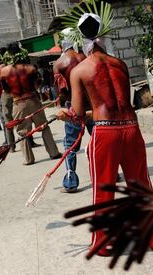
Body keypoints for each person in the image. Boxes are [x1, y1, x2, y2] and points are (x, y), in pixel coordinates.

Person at [64, 13, 153, 257]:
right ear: (103, 34)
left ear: (81, 38)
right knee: (142, 186)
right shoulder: (119, 64)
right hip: (131, 129)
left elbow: (78, 114)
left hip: (105, 132)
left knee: (104, 188)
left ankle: (104, 243)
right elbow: (123, 101)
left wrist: (65, 114)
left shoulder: (80, 70)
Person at [0, 43, 61, 165]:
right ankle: (54, 153)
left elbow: (6, 90)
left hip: (18, 103)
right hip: (33, 100)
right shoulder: (31, 68)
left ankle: (28, 159)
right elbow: (37, 84)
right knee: (44, 126)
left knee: (22, 132)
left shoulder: (4, 72)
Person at [54, 28, 93, 193]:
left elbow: (62, 90)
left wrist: (63, 107)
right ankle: (111, 175)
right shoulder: (86, 57)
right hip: (91, 104)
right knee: (99, 139)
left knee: (70, 145)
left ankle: (71, 181)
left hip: (73, 106)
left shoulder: (60, 63)